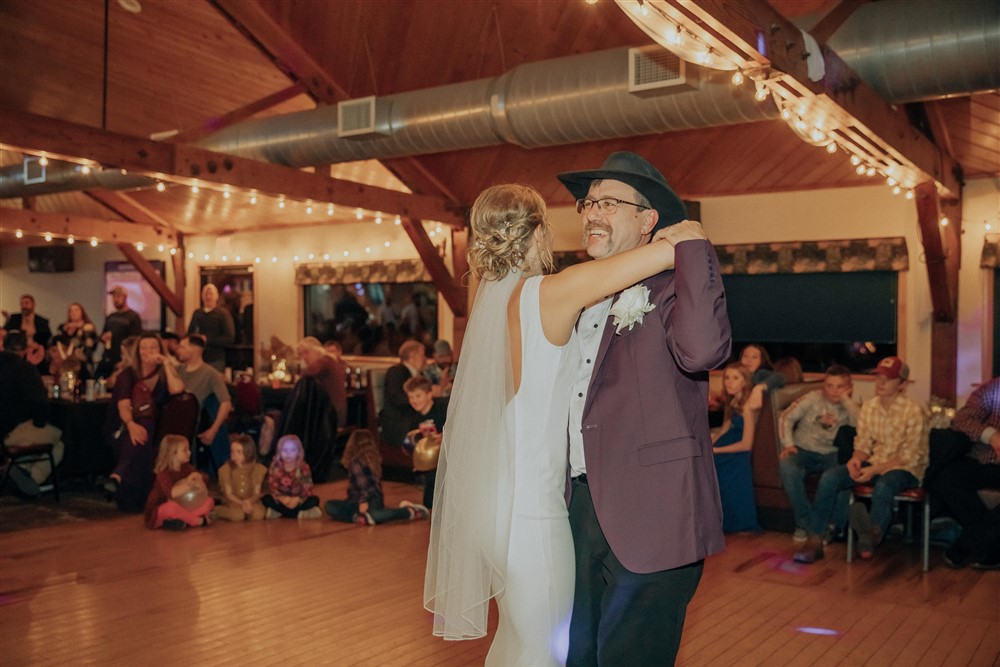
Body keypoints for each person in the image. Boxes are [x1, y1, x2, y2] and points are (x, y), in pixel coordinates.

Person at [423, 182, 692, 666]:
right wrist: (682, 231)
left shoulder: (488, 303)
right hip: (531, 511)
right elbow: (662, 257)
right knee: (545, 651)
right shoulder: (549, 293)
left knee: (513, 641)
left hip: (489, 504)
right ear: (540, 233)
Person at [556, 152, 731, 666]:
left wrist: (693, 248)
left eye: (608, 203)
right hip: (576, 508)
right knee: (575, 656)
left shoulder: (675, 285)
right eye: (589, 203)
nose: (591, 213)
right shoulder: (573, 293)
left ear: (648, 220)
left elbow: (703, 353)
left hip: (655, 509)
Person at [794, 356, 928, 564]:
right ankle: (815, 539)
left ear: (902, 384)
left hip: (905, 468)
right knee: (831, 477)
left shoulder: (913, 411)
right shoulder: (869, 407)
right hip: (874, 462)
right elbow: (863, 443)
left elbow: (911, 455)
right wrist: (856, 459)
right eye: (878, 378)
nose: (881, 383)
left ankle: (871, 535)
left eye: (888, 379)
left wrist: (875, 469)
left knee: (884, 484)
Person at [778, 364, 859, 543]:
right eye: (829, 385)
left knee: (842, 473)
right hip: (803, 449)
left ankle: (833, 525)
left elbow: (860, 427)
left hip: (832, 453)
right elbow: (786, 417)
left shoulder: (852, 406)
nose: (834, 391)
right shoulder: (812, 398)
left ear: (849, 388)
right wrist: (788, 444)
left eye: (840, 386)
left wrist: (846, 400)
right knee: (787, 467)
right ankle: (805, 523)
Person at [105, 332, 185, 512]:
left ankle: (119, 475)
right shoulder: (129, 373)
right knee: (142, 431)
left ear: (160, 349)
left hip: (155, 427)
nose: (148, 351)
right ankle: (126, 482)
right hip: (123, 425)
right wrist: (131, 425)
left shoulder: (163, 372)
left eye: (153, 347)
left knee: (145, 429)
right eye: (144, 348)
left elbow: (177, 389)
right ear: (138, 351)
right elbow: (123, 405)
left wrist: (166, 363)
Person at [929, 376, 1000, 569]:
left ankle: (967, 544)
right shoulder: (994, 390)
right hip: (982, 458)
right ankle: (991, 546)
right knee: (946, 477)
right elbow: (962, 419)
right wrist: (991, 435)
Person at [0, 330, 63, 498]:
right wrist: (40, 423)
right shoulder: (24, 369)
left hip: (4, 430)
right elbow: (40, 404)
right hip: (12, 431)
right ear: (24, 348)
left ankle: (18, 471)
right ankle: (30, 480)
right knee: (59, 439)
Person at [325, 429, 429, 525]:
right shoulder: (372, 461)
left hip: (364, 499)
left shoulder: (356, 462)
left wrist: (363, 502)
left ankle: (407, 512)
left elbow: (366, 485)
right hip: (373, 498)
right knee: (331, 505)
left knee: (332, 507)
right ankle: (364, 516)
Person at [712, 362, 761, 534]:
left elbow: (747, 444)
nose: (729, 382)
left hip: (737, 451)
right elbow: (725, 427)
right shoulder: (732, 401)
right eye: (726, 378)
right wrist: (710, 443)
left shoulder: (748, 407)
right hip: (726, 444)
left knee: (713, 465)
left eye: (735, 378)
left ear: (744, 382)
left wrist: (716, 451)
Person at [174, 333, 232, 467]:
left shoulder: (210, 373)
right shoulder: (177, 370)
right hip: (173, 420)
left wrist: (213, 430)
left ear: (195, 349)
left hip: (192, 423)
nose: (178, 350)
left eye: (182, 347)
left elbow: (226, 402)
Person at [143, 434, 214, 530]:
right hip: (159, 509)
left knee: (209, 501)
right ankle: (198, 521)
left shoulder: (186, 467)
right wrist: (189, 483)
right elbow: (172, 493)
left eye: (188, 449)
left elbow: (204, 479)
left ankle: (180, 520)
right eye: (185, 450)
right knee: (172, 507)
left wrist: (199, 477)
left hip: (183, 505)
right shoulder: (163, 473)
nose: (189, 452)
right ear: (173, 453)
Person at [403, 375, 448, 508]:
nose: (414, 401)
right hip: (431, 466)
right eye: (411, 397)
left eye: (418, 396)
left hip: (448, 460)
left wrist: (444, 436)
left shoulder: (443, 409)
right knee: (429, 503)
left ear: (429, 395)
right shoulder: (414, 420)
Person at [379, 339, 428, 448]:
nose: (425, 359)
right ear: (412, 355)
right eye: (422, 355)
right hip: (398, 422)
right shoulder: (396, 371)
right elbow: (397, 398)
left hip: (411, 418)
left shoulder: (419, 374)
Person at [262, 435, 322, 519]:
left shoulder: (303, 467)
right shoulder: (275, 467)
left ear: (298, 452)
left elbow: (307, 488)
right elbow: (272, 487)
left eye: (292, 450)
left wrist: (298, 499)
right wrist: (282, 498)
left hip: (298, 500)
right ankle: (297, 514)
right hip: (282, 500)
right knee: (266, 499)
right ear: (279, 451)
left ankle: (282, 512)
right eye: (284, 450)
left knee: (314, 500)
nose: (288, 454)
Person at [297, 337, 347, 429]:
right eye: (301, 354)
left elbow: (306, 373)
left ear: (316, 351)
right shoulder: (330, 361)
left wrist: (302, 367)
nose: (304, 357)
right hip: (335, 414)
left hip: (331, 417)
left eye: (306, 352)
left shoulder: (325, 360)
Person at [214, 434, 267, 522]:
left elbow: (256, 493)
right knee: (237, 516)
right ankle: (216, 511)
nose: (234, 455)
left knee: (258, 514)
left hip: (250, 500)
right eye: (232, 451)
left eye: (238, 452)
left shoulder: (257, 469)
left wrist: (248, 502)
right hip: (232, 501)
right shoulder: (226, 469)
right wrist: (242, 503)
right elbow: (229, 494)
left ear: (248, 453)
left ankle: (246, 513)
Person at [188, 283, 235, 372]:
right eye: (206, 294)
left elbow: (230, 337)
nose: (208, 297)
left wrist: (208, 340)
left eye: (211, 294)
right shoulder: (197, 313)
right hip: (198, 358)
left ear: (216, 297)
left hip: (216, 359)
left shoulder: (223, 314)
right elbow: (190, 333)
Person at [99, 286, 143, 377]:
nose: (115, 299)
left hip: (124, 357)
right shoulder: (111, 316)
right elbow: (102, 335)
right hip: (109, 356)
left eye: (118, 296)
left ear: (125, 297)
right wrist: (104, 337)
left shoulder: (133, 316)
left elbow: (136, 339)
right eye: (114, 297)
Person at [3, 294, 51, 370]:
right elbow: (6, 333)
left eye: (27, 303)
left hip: (36, 354)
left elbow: (47, 339)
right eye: (22, 304)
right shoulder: (14, 318)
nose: (24, 306)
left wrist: (37, 346)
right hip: (17, 353)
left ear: (33, 304)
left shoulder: (42, 321)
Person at [52, 302, 99, 378]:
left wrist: (79, 328)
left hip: (82, 363)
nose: (74, 313)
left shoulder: (88, 327)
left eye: (76, 310)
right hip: (64, 363)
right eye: (71, 310)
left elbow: (90, 345)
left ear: (82, 312)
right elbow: (55, 341)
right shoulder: (63, 327)